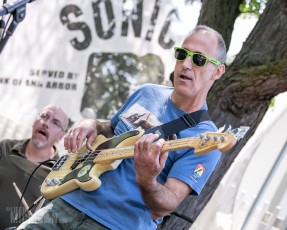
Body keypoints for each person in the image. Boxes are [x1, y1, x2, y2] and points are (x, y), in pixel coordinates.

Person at [18, 25, 226, 229]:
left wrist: (147, 178)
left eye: (198, 59)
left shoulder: (206, 139)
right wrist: (92, 124)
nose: (186, 64)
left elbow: (165, 206)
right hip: (67, 201)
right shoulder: (147, 92)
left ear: (217, 71)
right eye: (182, 54)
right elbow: (112, 128)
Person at [0, 105, 69, 229]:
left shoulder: (61, 176)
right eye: (44, 116)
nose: (46, 123)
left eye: (55, 123)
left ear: (61, 136)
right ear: (34, 121)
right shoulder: (5, 147)